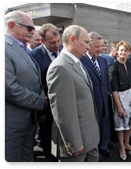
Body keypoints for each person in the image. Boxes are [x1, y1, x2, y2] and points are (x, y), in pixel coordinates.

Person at [46, 25, 100, 162]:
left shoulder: (78, 63)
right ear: (72, 39)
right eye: (86, 42)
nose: (88, 47)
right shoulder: (60, 67)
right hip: (77, 147)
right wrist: (73, 143)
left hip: (90, 140)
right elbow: (62, 112)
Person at [5, 10, 48, 162]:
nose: (33, 32)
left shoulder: (21, 47)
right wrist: (40, 102)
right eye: (29, 28)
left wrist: (41, 97)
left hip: (28, 122)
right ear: (11, 25)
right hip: (12, 124)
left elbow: (34, 78)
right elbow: (8, 88)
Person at [30, 23, 61, 162]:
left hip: (64, 105)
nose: (57, 45)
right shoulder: (33, 56)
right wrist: (41, 111)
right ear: (42, 41)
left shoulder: (63, 51)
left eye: (58, 41)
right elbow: (35, 85)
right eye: (52, 43)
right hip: (46, 108)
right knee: (48, 138)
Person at [80, 32, 112, 161]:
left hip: (104, 101)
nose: (101, 49)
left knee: (104, 127)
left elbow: (105, 81)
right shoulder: (81, 61)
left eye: (102, 46)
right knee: (92, 131)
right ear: (88, 46)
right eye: (97, 47)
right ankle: (93, 153)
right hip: (90, 104)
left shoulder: (103, 60)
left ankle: (103, 147)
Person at [110, 41, 131, 161]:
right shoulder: (114, 66)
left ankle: (127, 143)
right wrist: (119, 106)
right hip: (120, 98)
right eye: (121, 50)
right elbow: (114, 89)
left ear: (129, 52)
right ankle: (122, 147)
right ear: (117, 51)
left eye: (126, 50)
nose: (123, 52)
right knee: (121, 125)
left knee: (130, 123)